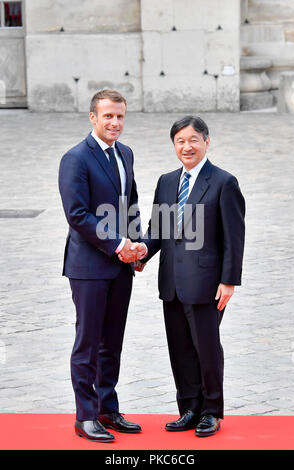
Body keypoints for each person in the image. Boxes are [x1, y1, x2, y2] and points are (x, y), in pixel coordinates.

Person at [135, 116, 245, 437]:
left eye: (193, 140)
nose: (187, 146)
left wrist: (229, 281)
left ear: (206, 142)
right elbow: (157, 229)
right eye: (180, 141)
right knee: (180, 349)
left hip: (207, 284)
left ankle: (212, 411)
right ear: (174, 145)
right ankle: (189, 408)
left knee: (207, 349)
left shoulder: (224, 182)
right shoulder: (167, 182)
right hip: (171, 282)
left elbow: (234, 238)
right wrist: (139, 254)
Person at [58, 89, 147, 442]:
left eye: (120, 116)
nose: (115, 123)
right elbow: (77, 214)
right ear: (93, 118)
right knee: (88, 342)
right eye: (108, 116)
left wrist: (137, 248)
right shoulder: (76, 158)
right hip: (89, 267)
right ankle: (85, 415)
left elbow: (131, 203)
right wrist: (118, 245)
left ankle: (107, 408)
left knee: (113, 342)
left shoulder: (125, 154)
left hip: (121, 265)